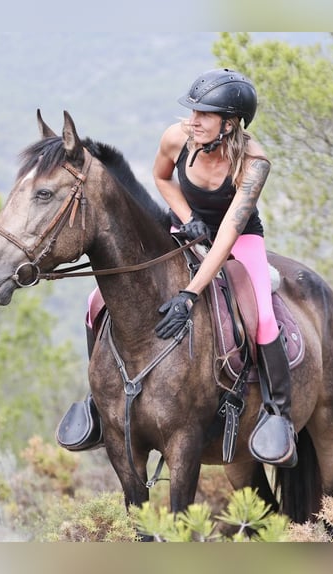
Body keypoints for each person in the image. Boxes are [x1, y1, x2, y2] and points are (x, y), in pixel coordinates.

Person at [56, 68, 297, 468]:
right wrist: (187, 218)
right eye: (193, 111)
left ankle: (277, 414)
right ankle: (99, 404)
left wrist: (190, 293)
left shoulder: (254, 163)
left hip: (238, 239)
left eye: (204, 114)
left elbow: (226, 237)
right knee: (96, 301)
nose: (193, 120)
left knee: (264, 317)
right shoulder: (177, 137)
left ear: (231, 123)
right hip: (184, 229)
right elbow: (161, 178)